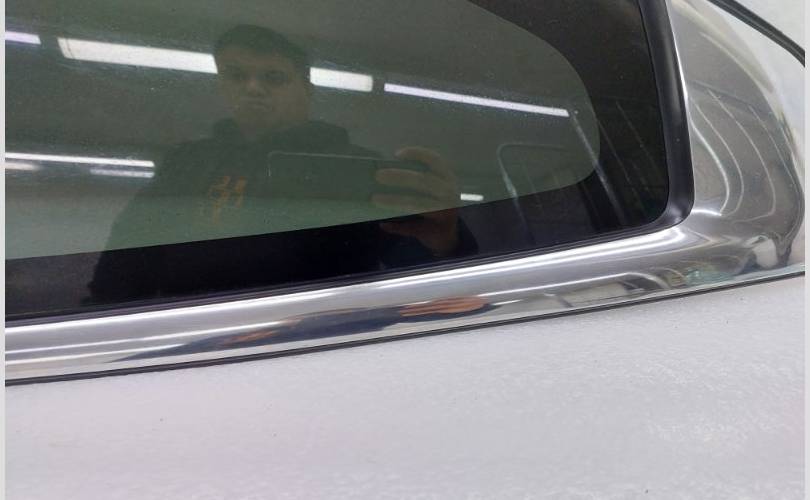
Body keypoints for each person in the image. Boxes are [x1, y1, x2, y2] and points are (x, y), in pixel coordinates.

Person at [89, 25, 475, 303]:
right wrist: (104, 316)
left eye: (274, 78)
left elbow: (425, 278)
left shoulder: (359, 167)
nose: (253, 88)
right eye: (237, 75)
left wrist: (448, 237)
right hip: (189, 337)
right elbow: (126, 260)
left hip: (328, 336)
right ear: (222, 85)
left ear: (305, 89)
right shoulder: (187, 164)